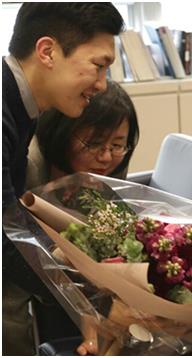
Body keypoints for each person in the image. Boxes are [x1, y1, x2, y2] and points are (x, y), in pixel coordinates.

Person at [2, 3, 123, 354]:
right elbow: (4, 235)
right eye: (98, 66)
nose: (102, 85)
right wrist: (84, 305)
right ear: (47, 51)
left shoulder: (19, 107)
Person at [26, 80, 139, 189]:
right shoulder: (29, 165)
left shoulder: (115, 161)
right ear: (63, 134)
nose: (106, 158)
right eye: (94, 144)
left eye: (117, 145)